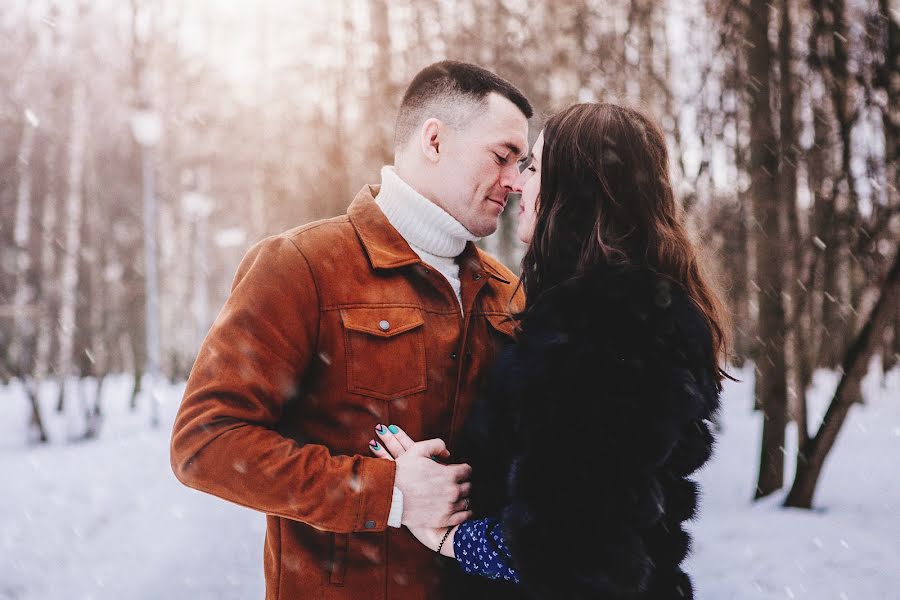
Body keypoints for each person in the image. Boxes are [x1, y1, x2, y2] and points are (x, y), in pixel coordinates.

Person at [169, 61, 533, 600]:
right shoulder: (302, 267)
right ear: (434, 141)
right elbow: (206, 442)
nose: (515, 180)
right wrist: (387, 494)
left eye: (523, 165)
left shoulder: (507, 293)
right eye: (502, 157)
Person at [367, 102, 730, 599]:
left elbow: (574, 547)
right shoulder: (636, 312)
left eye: (534, 166)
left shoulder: (600, 327)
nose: (517, 183)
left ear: (576, 191)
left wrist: (450, 538)